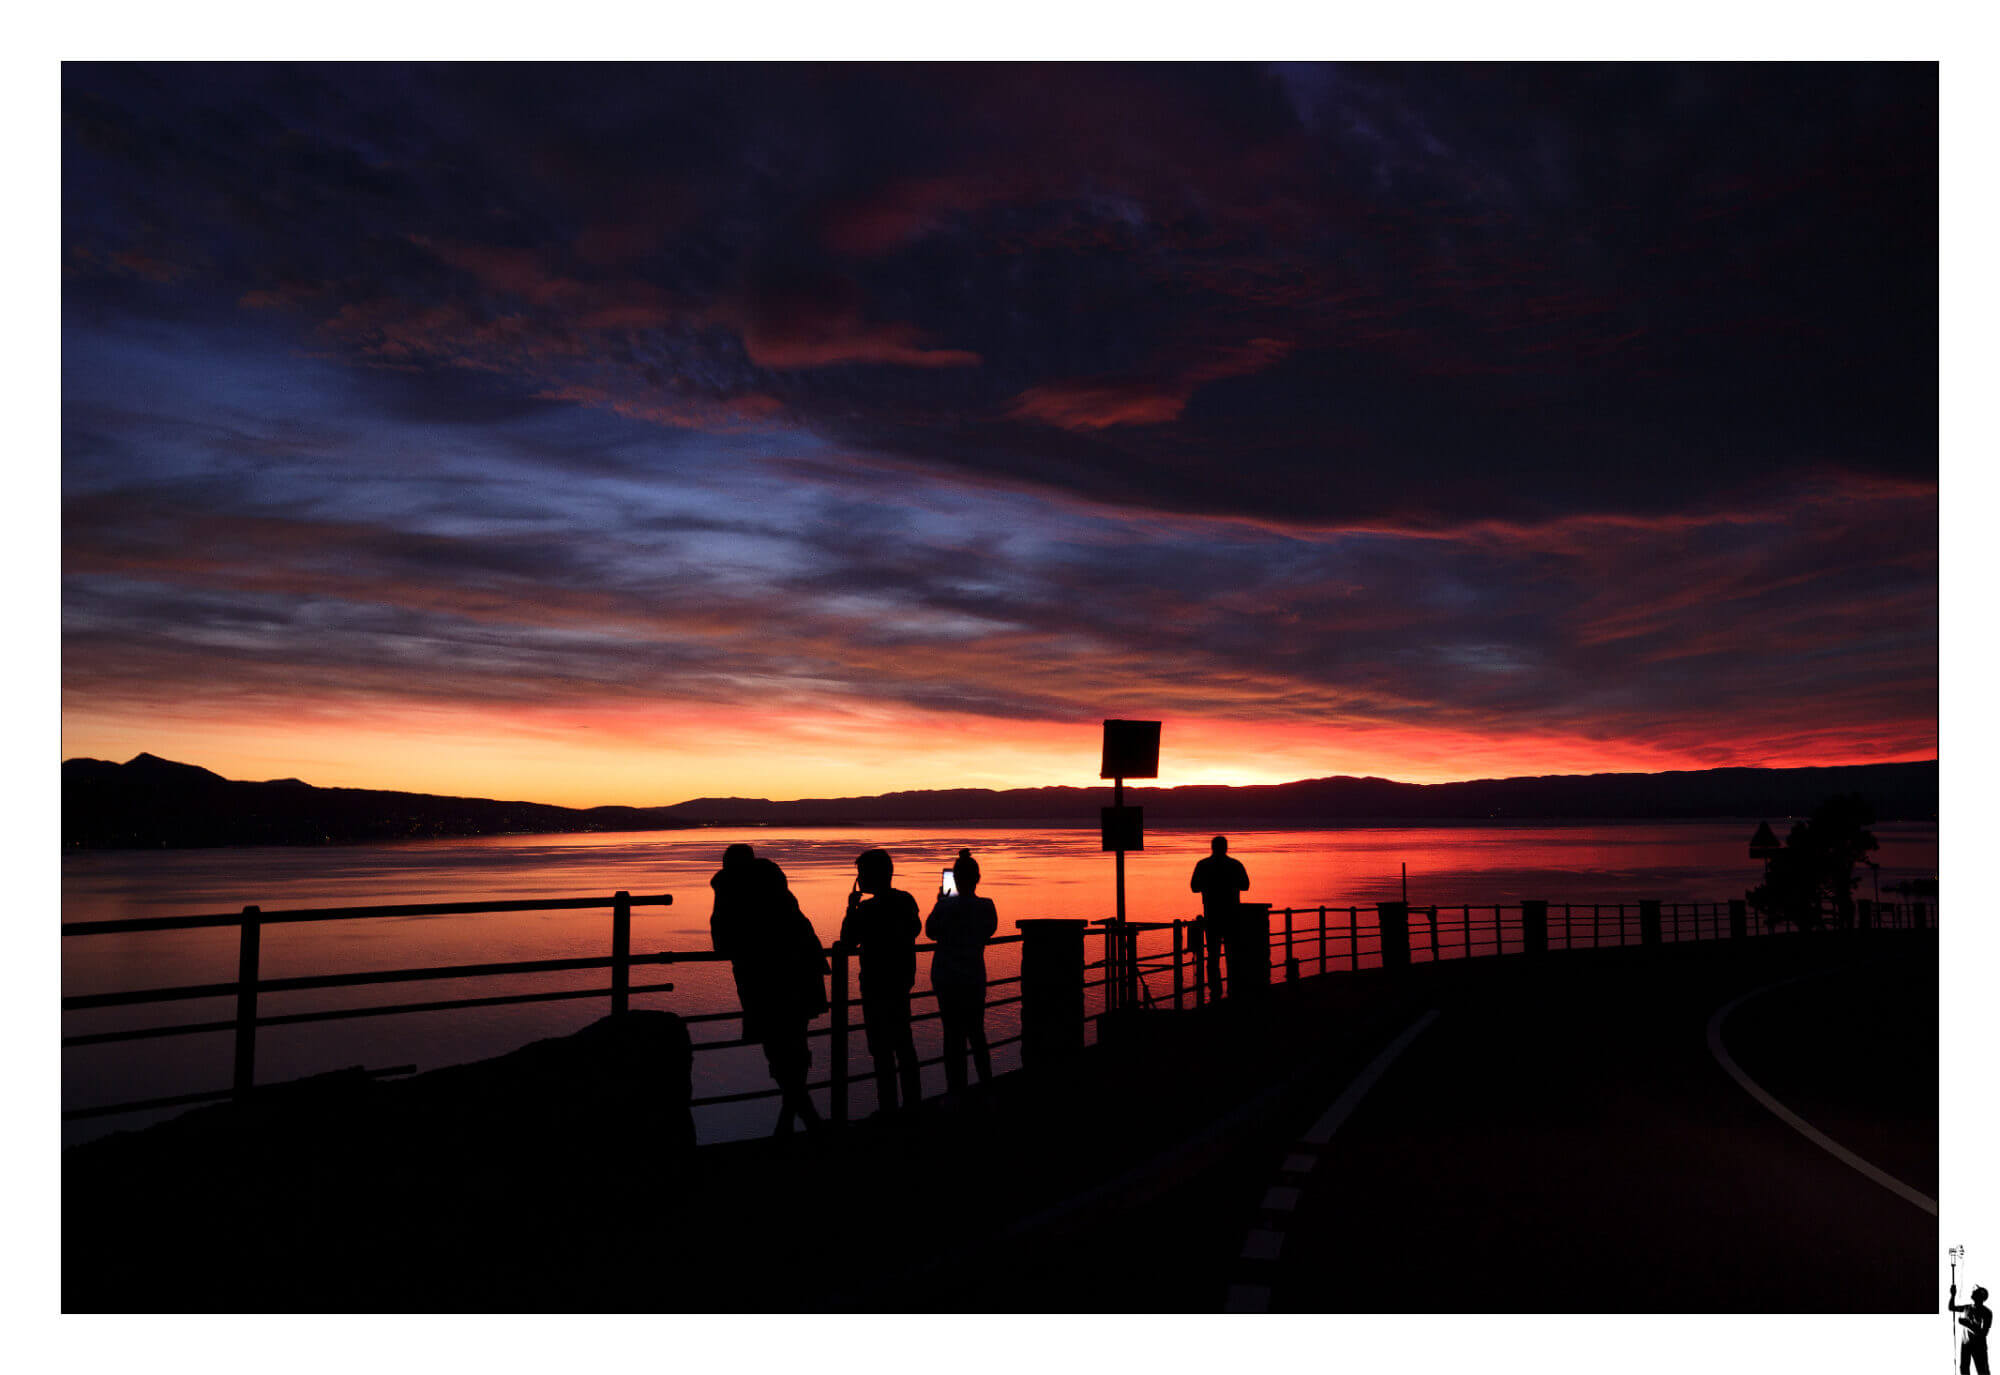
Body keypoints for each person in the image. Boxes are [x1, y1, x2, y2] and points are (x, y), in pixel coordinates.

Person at [709, 844, 828, 1136]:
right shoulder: (778, 888)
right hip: (801, 972)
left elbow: (722, 942)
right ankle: (793, 1121)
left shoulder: (729, 890)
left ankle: (803, 1121)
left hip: (763, 981)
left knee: (776, 1050)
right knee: (795, 1047)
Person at [840, 848, 922, 1114]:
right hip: (901, 982)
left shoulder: (866, 909)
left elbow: (849, 941)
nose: (860, 879)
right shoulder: (906, 900)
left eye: (861, 874)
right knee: (904, 1045)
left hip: (876, 985)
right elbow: (915, 930)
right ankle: (912, 1105)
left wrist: (851, 908)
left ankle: (889, 1108)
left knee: (882, 1050)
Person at [925, 848, 997, 1095]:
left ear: (954, 878)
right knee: (977, 1035)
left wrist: (940, 902)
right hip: (974, 978)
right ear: (978, 878)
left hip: (946, 978)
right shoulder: (987, 907)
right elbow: (989, 931)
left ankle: (956, 1092)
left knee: (952, 1038)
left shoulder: (945, 907)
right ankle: (986, 1090)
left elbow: (931, 931)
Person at [1189, 835, 1250, 1001]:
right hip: (1232, 916)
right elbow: (1245, 885)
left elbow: (1194, 887)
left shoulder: (1203, 865)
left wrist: (1209, 886)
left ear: (1212, 847)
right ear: (1226, 848)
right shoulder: (1235, 865)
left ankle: (1215, 992)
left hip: (1212, 916)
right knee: (1233, 956)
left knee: (1213, 956)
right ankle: (1233, 990)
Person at [1953, 1284, 1993, 1375]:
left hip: (1979, 1346)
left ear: (1980, 1297)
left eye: (1975, 1291)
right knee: (1964, 1369)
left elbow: (1983, 1333)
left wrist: (1967, 1324)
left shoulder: (1987, 1312)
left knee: (1982, 1371)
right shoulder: (1967, 1307)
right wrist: (1952, 1295)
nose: (1973, 1291)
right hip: (1966, 1344)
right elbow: (1951, 1307)